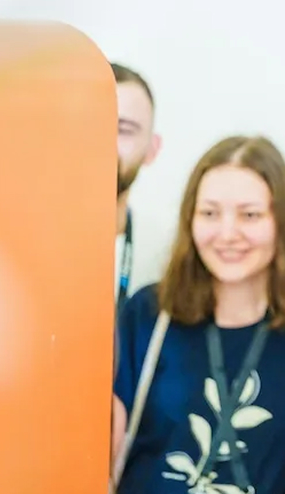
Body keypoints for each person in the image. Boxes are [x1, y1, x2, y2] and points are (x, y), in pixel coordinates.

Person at [110, 136, 285, 494]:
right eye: (209, 213)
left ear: (282, 222)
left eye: (249, 215)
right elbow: (102, 455)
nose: (227, 233)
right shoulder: (149, 313)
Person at [112, 63, 165, 310]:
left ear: (152, 149)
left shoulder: (168, 257)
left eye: (123, 130)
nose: (103, 141)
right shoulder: (6, 250)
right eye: (88, 124)